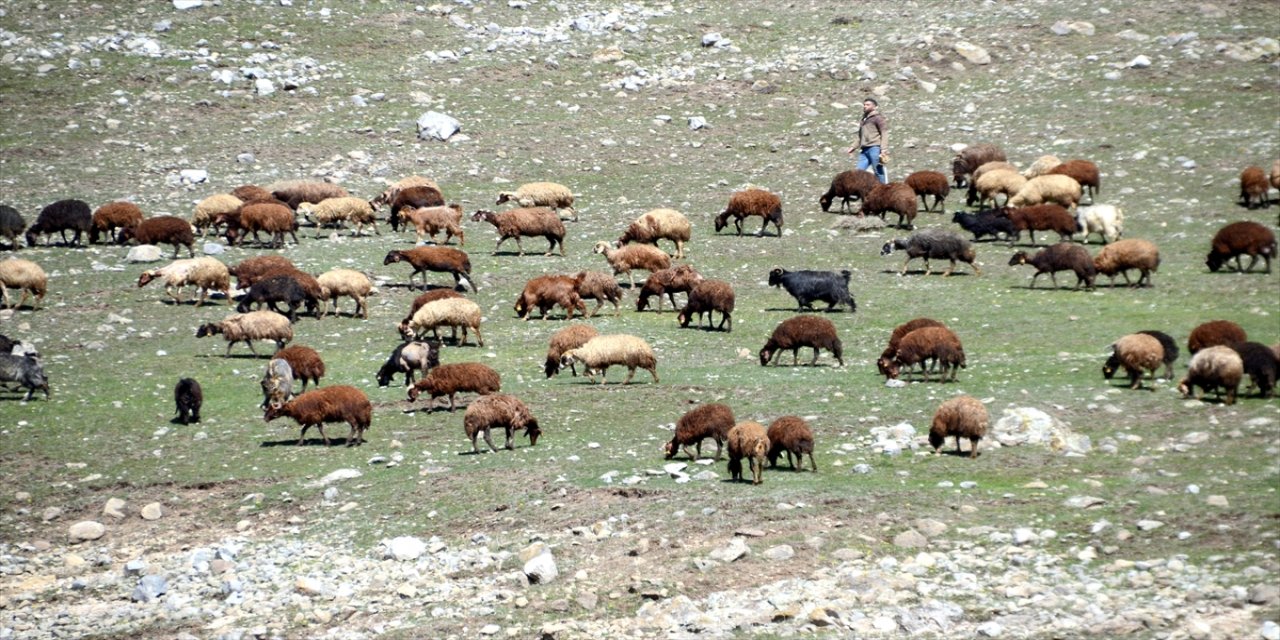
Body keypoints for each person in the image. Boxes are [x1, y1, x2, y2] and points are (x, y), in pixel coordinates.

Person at [847, 98, 888, 184]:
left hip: (875, 148)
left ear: (875, 107)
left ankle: (884, 189)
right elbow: (860, 135)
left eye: (868, 105)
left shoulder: (878, 118)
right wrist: (853, 147)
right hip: (864, 150)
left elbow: (884, 133)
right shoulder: (864, 119)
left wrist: (883, 148)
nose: (865, 106)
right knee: (858, 172)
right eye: (864, 105)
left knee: (877, 170)